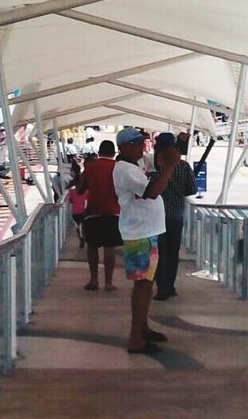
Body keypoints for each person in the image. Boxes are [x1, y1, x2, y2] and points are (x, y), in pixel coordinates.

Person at [112, 127, 178, 354]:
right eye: (139, 143)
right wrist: (169, 167)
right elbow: (152, 191)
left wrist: (169, 151)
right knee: (142, 285)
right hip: (139, 233)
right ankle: (135, 338)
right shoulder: (125, 170)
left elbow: (155, 160)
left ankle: (143, 328)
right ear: (126, 146)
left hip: (145, 231)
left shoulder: (135, 164)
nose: (143, 146)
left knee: (146, 283)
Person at [151, 132, 198, 301]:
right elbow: (192, 189)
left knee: (159, 252)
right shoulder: (183, 166)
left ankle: (161, 285)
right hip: (176, 215)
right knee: (172, 253)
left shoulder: (153, 166)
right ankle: (169, 285)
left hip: (156, 216)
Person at [75, 140, 121, 292]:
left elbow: (80, 189)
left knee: (92, 246)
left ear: (99, 152)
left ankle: (93, 280)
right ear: (114, 153)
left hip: (93, 211)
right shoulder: (117, 167)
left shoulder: (90, 166)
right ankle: (108, 282)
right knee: (110, 246)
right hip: (113, 210)